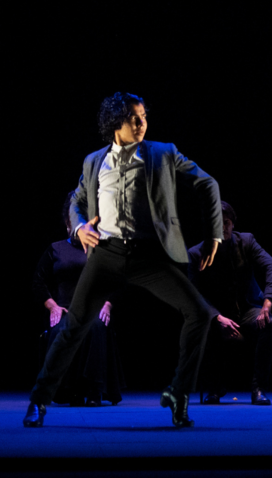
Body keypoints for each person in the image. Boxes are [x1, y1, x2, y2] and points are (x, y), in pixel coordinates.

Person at [24, 92, 222, 428]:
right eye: (134, 116)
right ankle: (39, 400)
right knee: (73, 328)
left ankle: (179, 394)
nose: (142, 122)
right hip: (107, 255)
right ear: (116, 122)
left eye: (144, 115)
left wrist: (214, 234)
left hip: (150, 256)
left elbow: (207, 183)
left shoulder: (163, 153)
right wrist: (78, 228)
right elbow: (76, 201)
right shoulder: (93, 161)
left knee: (200, 314)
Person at [32, 192, 124, 407]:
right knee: (60, 331)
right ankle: (65, 391)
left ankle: (93, 389)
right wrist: (52, 306)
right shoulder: (56, 249)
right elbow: (38, 282)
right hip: (65, 308)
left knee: (94, 328)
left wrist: (108, 303)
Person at [189, 201, 272, 405]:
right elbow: (194, 296)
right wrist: (217, 317)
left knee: (269, 324)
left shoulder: (246, 241)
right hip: (215, 314)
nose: (223, 228)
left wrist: (267, 303)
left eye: (227, 222)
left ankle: (258, 389)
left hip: (246, 310)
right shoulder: (196, 254)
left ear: (232, 223)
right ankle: (213, 388)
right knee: (206, 326)